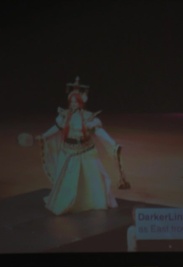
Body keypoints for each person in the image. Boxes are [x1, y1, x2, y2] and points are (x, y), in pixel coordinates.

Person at [35, 77, 130, 216]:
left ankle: (90, 202)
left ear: (81, 102)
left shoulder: (88, 117)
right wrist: (44, 135)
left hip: (85, 151)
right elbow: (56, 128)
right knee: (69, 182)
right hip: (68, 152)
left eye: (76, 101)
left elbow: (99, 132)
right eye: (71, 101)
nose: (73, 104)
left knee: (91, 179)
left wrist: (112, 142)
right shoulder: (64, 116)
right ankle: (68, 203)